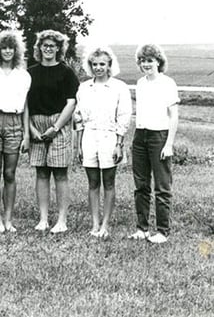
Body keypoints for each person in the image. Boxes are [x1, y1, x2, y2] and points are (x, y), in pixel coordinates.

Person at [74, 46, 131, 238]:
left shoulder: (119, 87)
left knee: (108, 182)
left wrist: (119, 144)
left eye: (102, 64)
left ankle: (105, 225)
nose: (98, 68)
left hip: (109, 137)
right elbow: (79, 117)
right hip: (89, 136)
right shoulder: (84, 87)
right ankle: (95, 224)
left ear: (109, 66)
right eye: (95, 64)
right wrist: (79, 144)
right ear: (90, 66)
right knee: (92, 182)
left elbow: (124, 116)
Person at [27, 30, 79, 233]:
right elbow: (25, 103)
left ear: (59, 48)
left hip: (59, 124)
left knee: (60, 173)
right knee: (41, 172)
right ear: (39, 48)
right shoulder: (30, 73)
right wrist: (31, 129)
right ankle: (43, 219)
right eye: (45, 45)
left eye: (52, 45)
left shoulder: (66, 72)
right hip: (36, 125)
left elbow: (72, 102)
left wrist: (55, 127)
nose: (48, 49)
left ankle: (62, 221)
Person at [129, 44, 179, 244]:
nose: (146, 64)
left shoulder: (168, 83)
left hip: (160, 136)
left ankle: (162, 231)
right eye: (142, 61)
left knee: (162, 186)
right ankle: (142, 228)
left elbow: (174, 116)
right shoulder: (140, 83)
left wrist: (169, 144)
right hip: (140, 136)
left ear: (158, 61)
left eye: (150, 60)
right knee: (141, 185)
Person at [0, 30, 31, 233]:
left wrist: (26, 134)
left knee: (10, 173)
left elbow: (26, 106)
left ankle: (9, 220)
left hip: (15, 123)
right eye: (3, 48)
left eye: (11, 47)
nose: (7, 51)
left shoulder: (23, 76)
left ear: (16, 50)